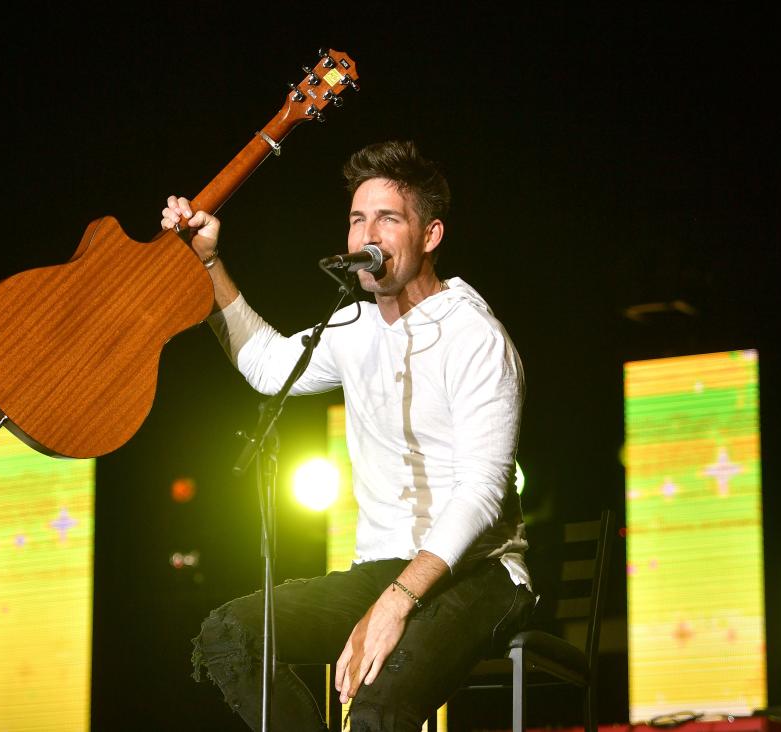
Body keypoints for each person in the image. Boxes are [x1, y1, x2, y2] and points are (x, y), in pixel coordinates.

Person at [161, 140, 533, 732]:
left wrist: (396, 601)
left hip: (477, 574)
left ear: (430, 235)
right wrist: (206, 263)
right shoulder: (354, 324)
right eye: (358, 218)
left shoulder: (475, 336)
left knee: (379, 710)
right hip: (380, 568)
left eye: (388, 218)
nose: (367, 234)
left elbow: (483, 492)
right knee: (229, 638)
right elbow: (267, 365)